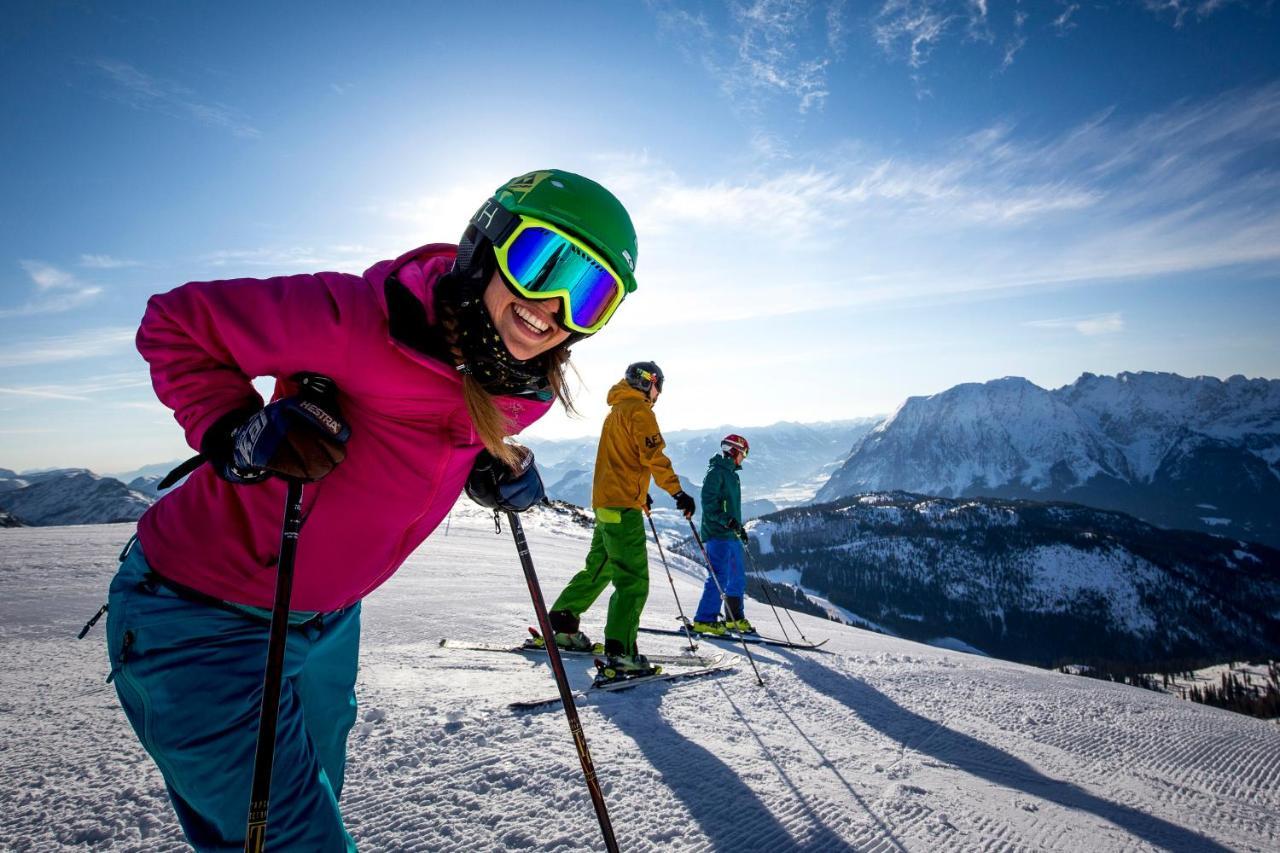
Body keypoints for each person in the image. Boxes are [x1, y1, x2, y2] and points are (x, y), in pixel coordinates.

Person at [102, 169, 639, 851]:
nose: (555, 305)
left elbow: (435, 429)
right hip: (202, 617)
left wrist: (485, 466)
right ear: (488, 239)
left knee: (297, 810)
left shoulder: (521, 385)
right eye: (543, 262)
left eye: (591, 295)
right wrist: (234, 430)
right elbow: (178, 323)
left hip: (326, 623)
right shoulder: (353, 316)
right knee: (296, 838)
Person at [546, 361, 696, 675]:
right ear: (649, 384)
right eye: (659, 386)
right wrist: (677, 492)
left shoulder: (616, 411)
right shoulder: (640, 412)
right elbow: (653, 456)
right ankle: (622, 651)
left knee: (599, 569)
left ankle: (562, 623)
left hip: (605, 504)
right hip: (622, 509)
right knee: (633, 581)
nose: (659, 393)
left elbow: (623, 458)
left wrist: (639, 490)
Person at [690, 434, 754, 636]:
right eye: (743, 454)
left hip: (730, 534)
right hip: (718, 533)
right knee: (719, 576)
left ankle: (733, 618)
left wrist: (738, 528)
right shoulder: (716, 473)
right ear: (734, 451)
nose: (743, 458)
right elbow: (709, 505)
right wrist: (726, 521)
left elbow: (731, 508)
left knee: (736, 577)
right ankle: (704, 619)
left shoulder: (731, 474)